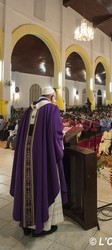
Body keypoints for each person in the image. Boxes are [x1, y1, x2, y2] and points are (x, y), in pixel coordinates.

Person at [10, 86, 68, 237]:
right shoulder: (52, 109)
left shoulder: (28, 110)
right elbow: (56, 134)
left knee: (27, 186)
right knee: (44, 184)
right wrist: (60, 146)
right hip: (44, 156)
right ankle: (42, 226)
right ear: (52, 97)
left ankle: (27, 225)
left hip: (26, 157)